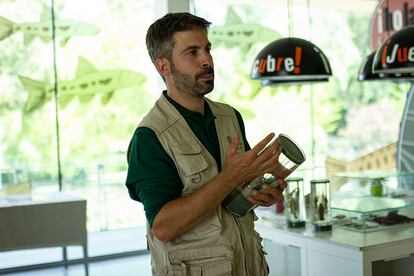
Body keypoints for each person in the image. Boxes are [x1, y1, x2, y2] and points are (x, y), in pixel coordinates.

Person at [126, 12, 287, 276]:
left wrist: (266, 192)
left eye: (207, 49)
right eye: (192, 52)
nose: (207, 60)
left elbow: (239, 191)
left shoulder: (229, 116)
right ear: (163, 67)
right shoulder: (150, 136)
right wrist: (230, 176)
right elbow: (164, 227)